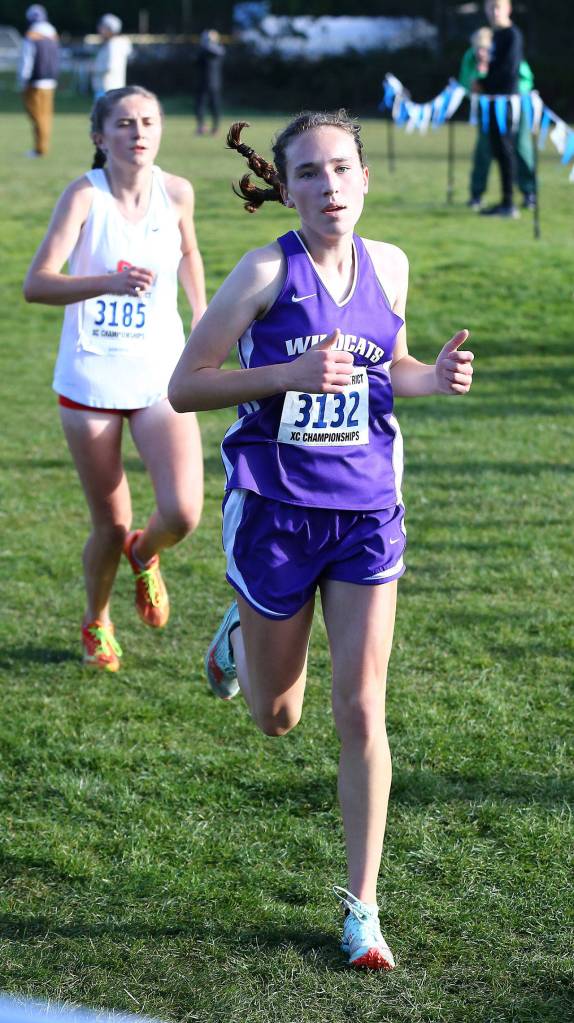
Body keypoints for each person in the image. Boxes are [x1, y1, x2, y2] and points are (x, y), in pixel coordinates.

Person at [168, 111, 474, 968]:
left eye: (343, 169)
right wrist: (286, 375)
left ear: (366, 178)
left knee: (363, 707)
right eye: (310, 173)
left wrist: (433, 381)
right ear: (287, 186)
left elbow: (394, 365)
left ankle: (364, 909)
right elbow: (186, 385)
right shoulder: (266, 270)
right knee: (277, 716)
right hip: (276, 510)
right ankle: (241, 634)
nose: (330, 186)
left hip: (368, 510)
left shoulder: (392, 265)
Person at [24, 86, 207, 672]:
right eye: (124, 124)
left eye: (149, 121)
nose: (139, 132)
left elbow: (188, 254)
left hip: (160, 372)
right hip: (92, 376)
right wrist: (104, 281)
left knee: (182, 512)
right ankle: (97, 619)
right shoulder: (83, 196)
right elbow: (38, 283)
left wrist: (202, 317)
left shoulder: (177, 192)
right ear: (101, 137)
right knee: (111, 521)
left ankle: (145, 555)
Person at [459, 24, 536, 211]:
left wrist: (503, 94)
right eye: (478, 49)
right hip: (487, 110)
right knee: (483, 151)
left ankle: (528, 193)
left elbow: (525, 80)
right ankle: (477, 195)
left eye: (485, 48)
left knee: (521, 148)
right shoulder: (471, 57)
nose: (481, 52)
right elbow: (467, 83)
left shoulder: (506, 52)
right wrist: (479, 75)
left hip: (514, 108)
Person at [479, 0, 524, 218]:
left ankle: (510, 203)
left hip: (504, 103)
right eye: (490, 8)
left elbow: (508, 71)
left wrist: (484, 84)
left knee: (506, 151)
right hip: (492, 101)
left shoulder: (512, 35)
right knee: (498, 151)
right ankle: (505, 201)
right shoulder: (493, 36)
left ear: (508, 9)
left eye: (498, 7)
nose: (494, 12)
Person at [18, 4, 59, 157]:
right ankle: (42, 146)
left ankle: (40, 148)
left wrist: (23, 80)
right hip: (51, 81)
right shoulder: (53, 34)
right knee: (46, 115)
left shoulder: (31, 36)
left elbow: (26, 60)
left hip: (35, 81)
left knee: (37, 116)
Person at [92, 14, 133, 98]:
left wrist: (93, 68)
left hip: (108, 88)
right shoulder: (112, 44)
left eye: (103, 27)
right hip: (109, 88)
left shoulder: (113, 45)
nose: (100, 30)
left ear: (110, 29)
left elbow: (110, 66)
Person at [195, 29, 225, 136]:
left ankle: (215, 128)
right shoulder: (202, 51)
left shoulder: (217, 50)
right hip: (202, 83)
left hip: (214, 83)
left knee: (215, 106)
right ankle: (201, 126)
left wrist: (209, 42)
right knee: (200, 106)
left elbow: (217, 51)